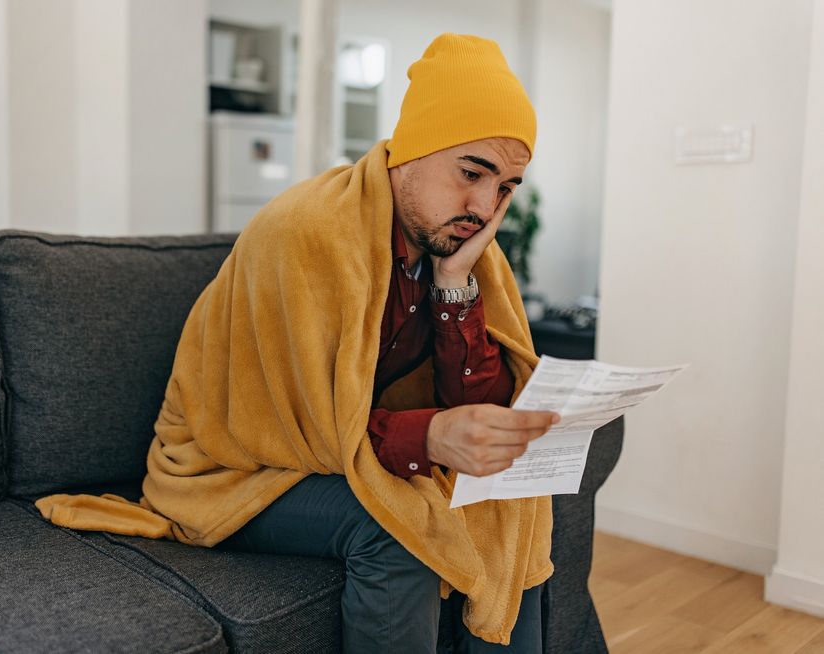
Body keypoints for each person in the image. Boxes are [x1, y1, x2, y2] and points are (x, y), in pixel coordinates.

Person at [37, 32, 559, 653]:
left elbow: (489, 402)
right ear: (411, 150)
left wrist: (453, 289)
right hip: (235, 465)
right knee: (400, 526)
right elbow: (300, 426)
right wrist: (431, 436)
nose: (484, 206)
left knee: (514, 504)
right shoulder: (309, 234)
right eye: (471, 173)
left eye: (505, 188)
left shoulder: (462, 252)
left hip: (333, 448)